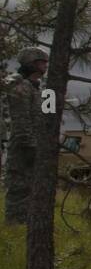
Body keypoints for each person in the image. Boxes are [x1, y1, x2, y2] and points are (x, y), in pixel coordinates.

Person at [3, 47, 49, 226]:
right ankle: (15, 226)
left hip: (37, 146)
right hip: (24, 148)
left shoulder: (41, 89)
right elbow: (22, 123)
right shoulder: (20, 86)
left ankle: (29, 225)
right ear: (31, 63)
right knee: (19, 189)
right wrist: (32, 147)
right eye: (42, 62)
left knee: (34, 189)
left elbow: (50, 119)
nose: (45, 65)